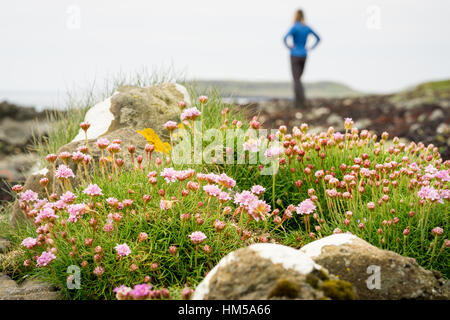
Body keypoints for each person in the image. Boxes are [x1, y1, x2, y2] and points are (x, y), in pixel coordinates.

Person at [283, 9, 320, 108]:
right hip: (304, 54)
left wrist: (289, 46)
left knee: (296, 80)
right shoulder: (306, 27)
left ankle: (299, 102)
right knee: (298, 79)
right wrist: (311, 47)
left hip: (294, 55)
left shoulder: (294, 27)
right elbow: (318, 38)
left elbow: (284, 38)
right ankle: (300, 101)